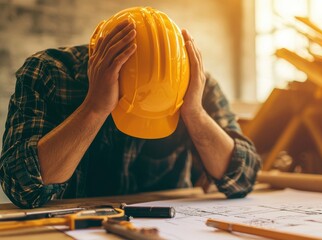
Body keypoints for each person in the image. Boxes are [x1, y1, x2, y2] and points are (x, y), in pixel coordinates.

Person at [0, 7, 261, 209]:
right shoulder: (47, 72)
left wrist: (195, 113)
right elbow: (22, 188)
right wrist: (95, 107)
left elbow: (243, 178)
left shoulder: (192, 83)